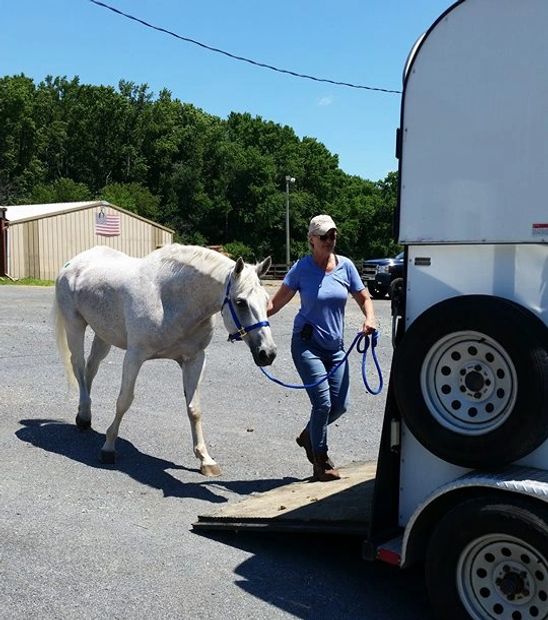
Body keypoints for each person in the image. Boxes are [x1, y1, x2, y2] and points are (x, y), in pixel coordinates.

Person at [267, 214, 377, 481]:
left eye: (333, 236)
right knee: (323, 403)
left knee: (340, 405)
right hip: (307, 345)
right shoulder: (301, 269)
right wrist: (249, 327)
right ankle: (321, 461)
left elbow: (364, 297)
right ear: (311, 240)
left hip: (336, 348)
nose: (330, 240)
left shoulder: (346, 266)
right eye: (324, 236)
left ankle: (308, 435)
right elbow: (274, 304)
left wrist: (370, 317)